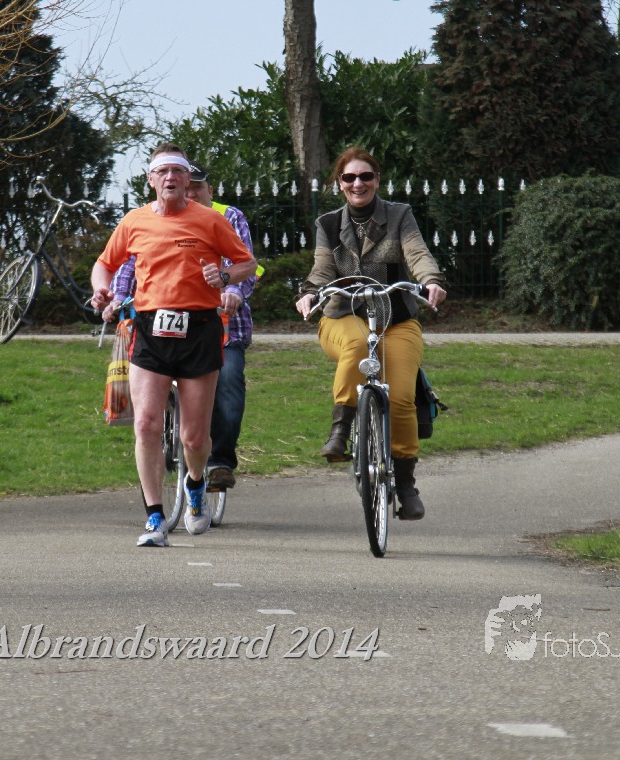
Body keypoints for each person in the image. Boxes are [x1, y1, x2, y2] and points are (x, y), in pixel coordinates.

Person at [91, 144, 257, 547]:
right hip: (151, 330)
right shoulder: (134, 221)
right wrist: (102, 290)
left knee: (194, 438)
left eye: (177, 172)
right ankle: (154, 517)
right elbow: (105, 264)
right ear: (151, 180)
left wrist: (224, 277)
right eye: (162, 172)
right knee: (146, 424)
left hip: (200, 329)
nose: (170, 178)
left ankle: (195, 485)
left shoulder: (210, 220)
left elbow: (247, 263)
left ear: (187, 181)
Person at [294, 147, 447, 520]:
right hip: (342, 315)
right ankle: (341, 428)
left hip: (397, 319)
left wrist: (430, 280)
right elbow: (322, 268)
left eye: (365, 176)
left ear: (377, 180)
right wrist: (310, 293)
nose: (358, 183)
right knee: (359, 344)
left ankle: (406, 485)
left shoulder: (399, 215)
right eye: (349, 177)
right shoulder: (328, 223)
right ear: (339, 184)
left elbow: (417, 253)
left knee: (402, 396)